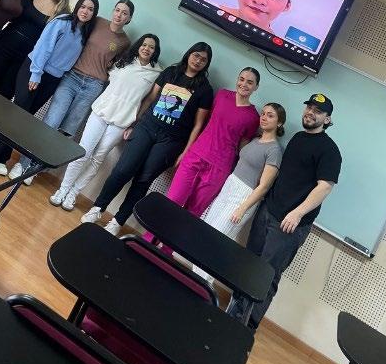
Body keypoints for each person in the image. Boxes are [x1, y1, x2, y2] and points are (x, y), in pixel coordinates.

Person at [227, 93, 342, 333]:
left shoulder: (330, 150)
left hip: (289, 225)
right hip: (268, 211)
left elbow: (325, 187)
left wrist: (297, 214)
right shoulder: (299, 137)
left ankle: (245, 328)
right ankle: (231, 316)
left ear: (327, 119)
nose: (310, 113)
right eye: (309, 107)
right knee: (249, 264)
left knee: (266, 275)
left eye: (317, 111)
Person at [81, 42, 214, 236]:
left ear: (206, 64)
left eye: (203, 59)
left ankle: (118, 221)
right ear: (189, 54)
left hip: (171, 141)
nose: (198, 61)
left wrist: (185, 152)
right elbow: (151, 98)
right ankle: (98, 208)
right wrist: (134, 124)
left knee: (143, 180)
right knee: (122, 170)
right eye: (196, 55)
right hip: (147, 127)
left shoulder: (205, 89)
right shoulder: (171, 72)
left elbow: (197, 125)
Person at [7, 0, 134, 183]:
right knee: (51, 122)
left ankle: (35, 168)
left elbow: (117, 66)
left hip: (93, 86)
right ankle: (23, 164)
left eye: (124, 13)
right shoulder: (97, 22)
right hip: (71, 77)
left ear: (129, 19)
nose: (119, 15)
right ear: (113, 10)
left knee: (67, 130)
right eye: (117, 10)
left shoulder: (125, 42)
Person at [0, 0, 99, 176]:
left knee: (25, 118)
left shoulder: (85, 33)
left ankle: (2, 158)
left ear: (94, 14)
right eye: (83, 6)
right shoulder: (62, 22)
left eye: (90, 9)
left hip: (52, 80)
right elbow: (44, 47)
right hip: (34, 70)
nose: (85, 11)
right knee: (16, 114)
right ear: (77, 7)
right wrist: (36, 73)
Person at [142, 67, 261, 248]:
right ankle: (148, 241)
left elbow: (242, 148)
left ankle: (167, 250)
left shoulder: (253, 117)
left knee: (192, 213)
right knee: (171, 202)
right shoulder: (222, 96)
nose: (244, 84)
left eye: (250, 82)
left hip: (219, 168)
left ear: (256, 87)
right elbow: (204, 121)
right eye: (242, 79)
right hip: (196, 155)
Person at [48, 34, 162, 211]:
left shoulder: (156, 73)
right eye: (144, 44)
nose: (147, 49)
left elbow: (148, 101)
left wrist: (134, 123)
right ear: (139, 46)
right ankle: (63, 190)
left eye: (151, 47)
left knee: (97, 159)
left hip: (122, 121)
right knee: (82, 152)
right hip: (101, 112)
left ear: (156, 51)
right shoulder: (123, 61)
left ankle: (73, 193)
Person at [192, 102, 286, 283]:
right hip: (229, 187)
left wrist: (242, 208)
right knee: (207, 234)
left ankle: (203, 284)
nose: (264, 118)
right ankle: (195, 279)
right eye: (263, 114)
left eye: (271, 115)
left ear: (280, 123)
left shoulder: (274, 150)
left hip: (243, 196)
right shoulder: (255, 140)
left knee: (218, 240)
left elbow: (264, 186)